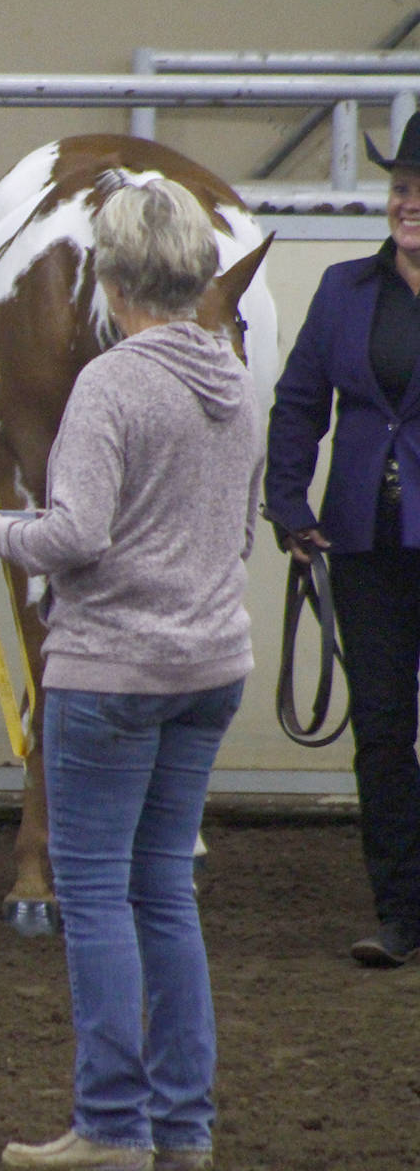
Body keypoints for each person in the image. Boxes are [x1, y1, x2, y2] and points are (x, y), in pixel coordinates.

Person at [0, 177, 263, 1171]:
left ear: (112, 275)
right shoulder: (233, 381)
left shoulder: (113, 384)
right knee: (166, 892)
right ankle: (184, 1128)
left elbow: (73, 535)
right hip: (210, 665)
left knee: (92, 896)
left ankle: (110, 1127)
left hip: (115, 673)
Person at [265, 113, 420, 969]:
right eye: (401, 189)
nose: (409, 204)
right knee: (385, 732)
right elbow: (298, 401)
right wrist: (288, 503)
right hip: (364, 543)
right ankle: (398, 910)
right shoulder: (342, 291)